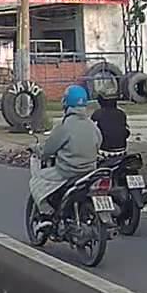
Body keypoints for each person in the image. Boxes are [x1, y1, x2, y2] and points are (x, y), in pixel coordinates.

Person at [30, 84, 101, 220]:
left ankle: (46, 212)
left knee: (36, 179)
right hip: (89, 171)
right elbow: (98, 143)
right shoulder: (92, 126)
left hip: (68, 171)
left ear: (66, 102)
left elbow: (48, 149)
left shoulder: (64, 126)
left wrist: (36, 149)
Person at [91, 92, 130, 157]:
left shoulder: (97, 114)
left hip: (104, 150)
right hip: (122, 150)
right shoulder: (121, 114)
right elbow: (127, 133)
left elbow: (92, 134)